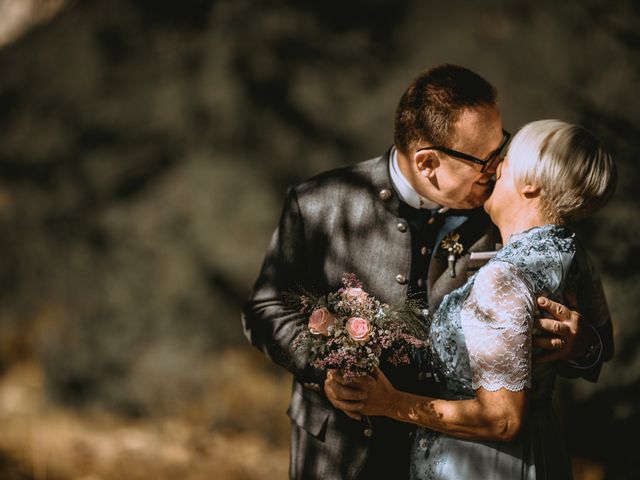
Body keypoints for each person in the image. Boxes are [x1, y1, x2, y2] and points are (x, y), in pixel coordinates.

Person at [242, 65, 611, 479]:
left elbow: (592, 335)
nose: (498, 167)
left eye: (502, 147)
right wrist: (321, 365)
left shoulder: (507, 214)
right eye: (485, 159)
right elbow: (264, 309)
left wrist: (583, 346)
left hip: (467, 453)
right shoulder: (319, 205)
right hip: (340, 452)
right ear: (428, 162)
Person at [325, 119, 616, 479]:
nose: (493, 168)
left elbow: (503, 420)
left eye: (505, 160)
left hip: (482, 463)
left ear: (530, 184)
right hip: (542, 449)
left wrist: (391, 403)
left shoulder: (503, 278)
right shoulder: (576, 256)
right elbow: (605, 343)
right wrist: (587, 345)